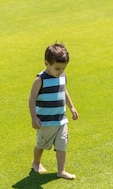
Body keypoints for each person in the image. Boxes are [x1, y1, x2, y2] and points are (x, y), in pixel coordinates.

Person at [28, 43, 79, 180]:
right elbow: (32, 98)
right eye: (57, 68)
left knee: (62, 144)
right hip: (45, 121)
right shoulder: (40, 79)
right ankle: (36, 162)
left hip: (61, 119)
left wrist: (72, 107)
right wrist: (34, 117)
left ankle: (61, 170)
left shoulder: (62, 76)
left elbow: (64, 91)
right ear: (46, 63)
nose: (60, 71)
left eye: (63, 68)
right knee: (41, 144)